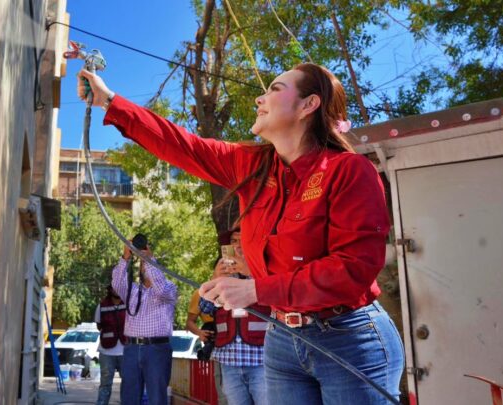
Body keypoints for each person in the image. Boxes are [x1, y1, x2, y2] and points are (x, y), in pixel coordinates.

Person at [78, 63, 404, 404]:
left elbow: (352, 269)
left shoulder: (350, 171)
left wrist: (254, 289)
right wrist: (109, 100)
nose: (259, 99)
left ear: (309, 105)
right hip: (282, 337)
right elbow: (184, 145)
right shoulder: (253, 164)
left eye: (275, 89)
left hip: (349, 337)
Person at [199, 228, 268, 405]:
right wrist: (215, 277)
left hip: (262, 358)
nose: (237, 246)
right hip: (229, 360)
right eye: (234, 241)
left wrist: (251, 273)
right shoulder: (222, 275)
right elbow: (205, 308)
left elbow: (279, 300)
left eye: (242, 241)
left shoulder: (265, 271)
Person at [111, 234, 177, 405]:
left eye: (148, 265)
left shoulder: (169, 288)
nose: (145, 267)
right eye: (142, 264)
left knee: (157, 399)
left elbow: (160, 288)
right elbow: (117, 284)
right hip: (132, 348)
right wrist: (126, 257)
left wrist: (148, 258)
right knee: (129, 398)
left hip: (156, 348)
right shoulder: (132, 290)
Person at [186, 258, 227, 405]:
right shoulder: (201, 292)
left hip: (236, 340)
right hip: (214, 340)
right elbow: (189, 322)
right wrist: (200, 333)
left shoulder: (238, 286)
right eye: (222, 265)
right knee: (222, 386)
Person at [94, 285, 127, 405]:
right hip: (106, 351)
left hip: (126, 351)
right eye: (114, 288)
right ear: (110, 290)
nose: (117, 290)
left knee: (128, 383)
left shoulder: (129, 304)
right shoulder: (102, 305)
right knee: (105, 384)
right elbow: (99, 326)